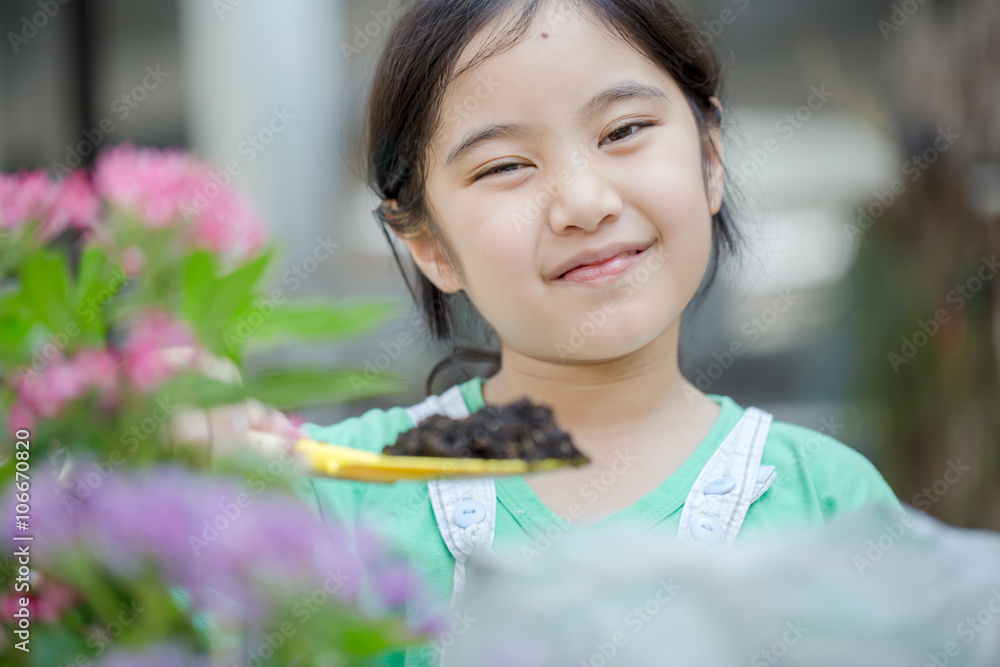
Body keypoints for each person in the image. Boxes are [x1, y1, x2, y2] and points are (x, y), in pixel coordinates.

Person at [213, 1, 903, 664]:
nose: (584, 202)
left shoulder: (832, 505)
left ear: (710, 159)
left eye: (623, 131)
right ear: (430, 245)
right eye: (506, 165)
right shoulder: (330, 498)